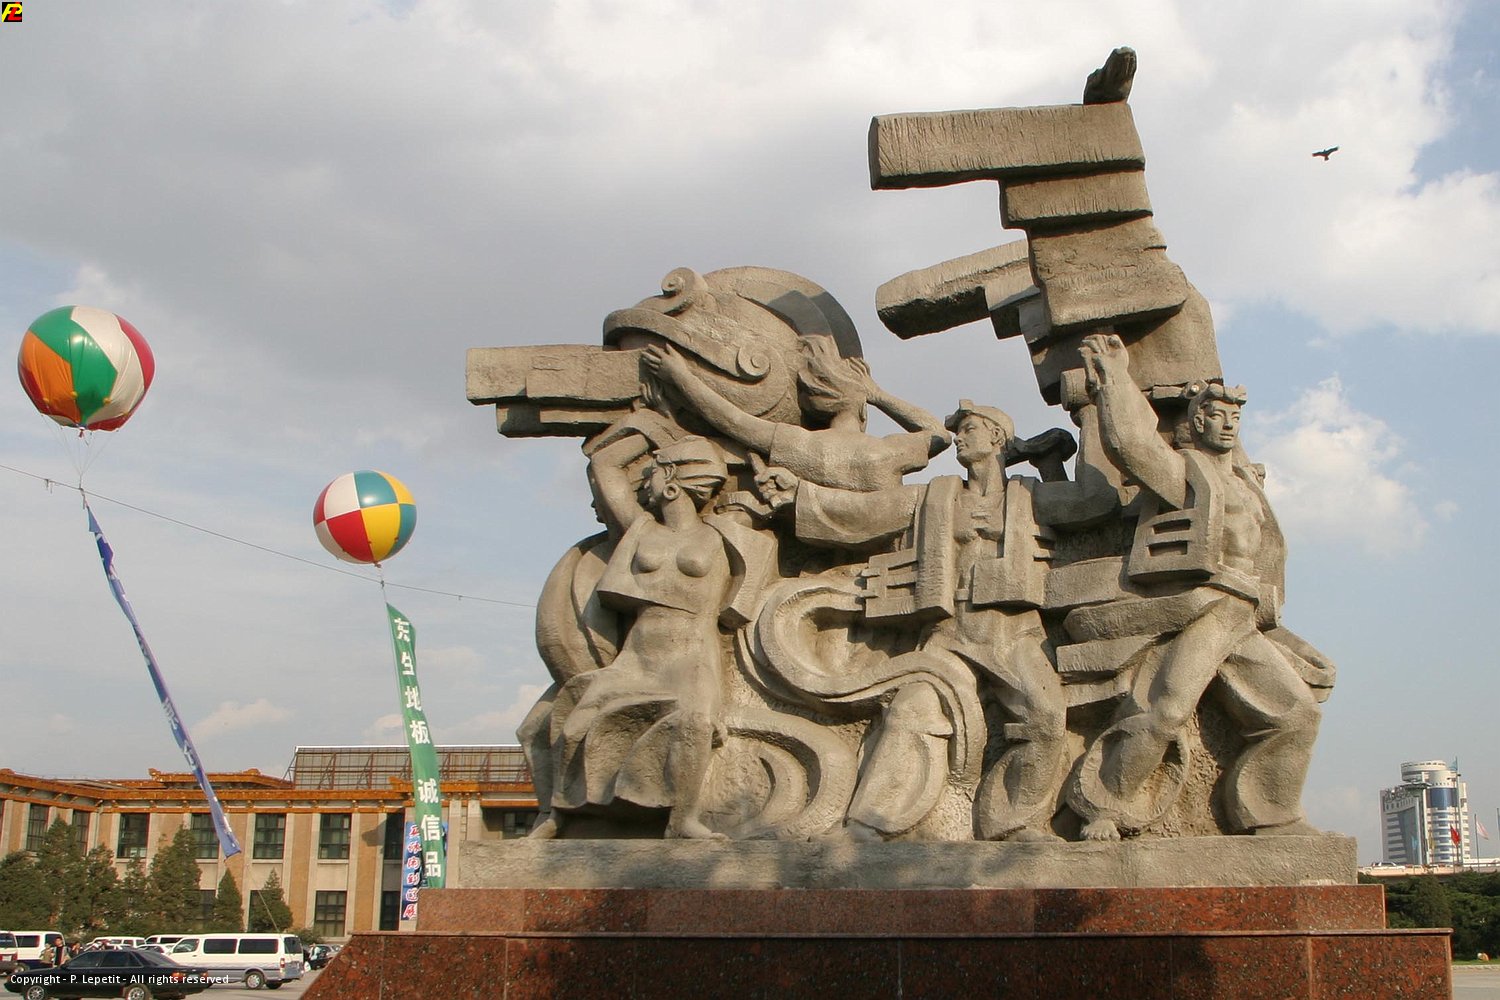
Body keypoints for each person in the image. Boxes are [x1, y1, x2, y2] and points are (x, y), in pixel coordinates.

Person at [755, 401, 1068, 841]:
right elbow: (867, 513)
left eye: (969, 428)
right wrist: (800, 496)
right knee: (910, 710)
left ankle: (1013, 823)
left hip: (1014, 634)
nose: (959, 437)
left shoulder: (1030, 497)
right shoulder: (935, 496)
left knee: (1047, 717)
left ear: (997, 436)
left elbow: (1096, 502)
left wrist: (1056, 458)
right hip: (951, 635)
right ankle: (867, 826)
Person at [1068, 333, 1323, 840]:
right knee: (1165, 712)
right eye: (1215, 415)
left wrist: (1287, 636)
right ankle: (1103, 807)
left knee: (1298, 714)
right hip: (1207, 608)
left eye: (1234, 417)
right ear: (1196, 422)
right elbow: (1133, 446)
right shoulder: (1188, 475)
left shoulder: (1249, 487)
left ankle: (1270, 815)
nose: (1227, 425)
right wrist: (1114, 377)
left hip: (1245, 615)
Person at [537, 436, 734, 840]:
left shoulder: (724, 534)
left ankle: (683, 819)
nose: (646, 484)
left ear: (671, 478)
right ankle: (557, 813)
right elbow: (605, 465)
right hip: (639, 653)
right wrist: (648, 429)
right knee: (573, 724)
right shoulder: (641, 528)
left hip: (692, 651)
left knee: (695, 722)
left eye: (653, 475)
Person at [644, 337, 949, 492]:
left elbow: (729, 418)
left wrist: (680, 377)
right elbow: (939, 434)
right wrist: (877, 394)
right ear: (862, 407)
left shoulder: (800, 444)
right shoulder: (888, 451)